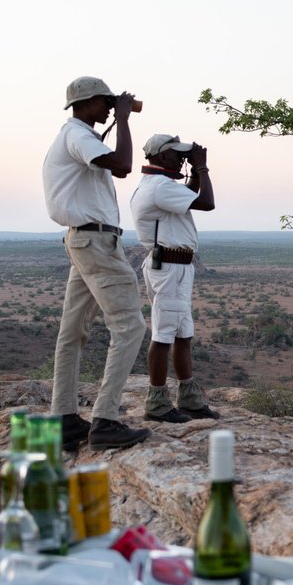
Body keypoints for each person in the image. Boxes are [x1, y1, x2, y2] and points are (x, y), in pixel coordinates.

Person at [41, 77, 152, 452]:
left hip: (83, 240)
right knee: (130, 326)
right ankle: (106, 420)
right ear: (85, 103)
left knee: (72, 333)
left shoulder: (75, 136)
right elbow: (123, 165)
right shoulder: (77, 135)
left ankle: (65, 419)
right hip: (96, 243)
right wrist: (123, 119)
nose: (108, 106)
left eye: (111, 102)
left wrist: (116, 117)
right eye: (104, 101)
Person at [130, 133, 221, 423]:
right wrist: (203, 167)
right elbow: (206, 202)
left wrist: (194, 172)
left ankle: (190, 398)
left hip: (176, 268)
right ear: (159, 156)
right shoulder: (158, 187)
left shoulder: (160, 185)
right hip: (169, 268)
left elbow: (190, 194)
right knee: (163, 334)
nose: (181, 159)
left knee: (182, 333)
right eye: (176, 154)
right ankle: (156, 402)